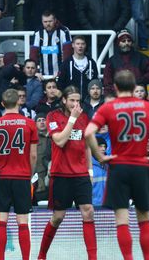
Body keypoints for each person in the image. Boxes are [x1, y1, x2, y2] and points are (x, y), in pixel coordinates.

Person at [85, 70, 149, 260]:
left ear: (116, 88)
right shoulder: (146, 107)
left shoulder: (109, 107)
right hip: (141, 166)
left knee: (122, 220)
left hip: (119, 167)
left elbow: (88, 133)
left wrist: (100, 157)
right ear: (135, 88)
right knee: (143, 218)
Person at [37, 86, 97, 260]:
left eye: (78, 100)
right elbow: (61, 141)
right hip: (61, 174)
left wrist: (90, 170)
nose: (75, 104)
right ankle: (42, 255)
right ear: (63, 100)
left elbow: (86, 145)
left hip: (81, 174)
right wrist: (72, 119)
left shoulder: (85, 118)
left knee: (88, 211)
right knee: (58, 217)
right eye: (72, 100)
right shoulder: (52, 117)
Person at [0, 88, 38, 260]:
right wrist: (29, 175)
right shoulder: (30, 124)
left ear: (2, 104)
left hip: (2, 177)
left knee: (1, 220)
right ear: (18, 102)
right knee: (22, 221)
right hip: (22, 176)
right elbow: (33, 155)